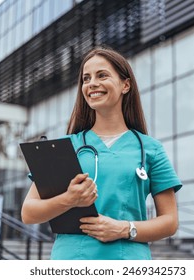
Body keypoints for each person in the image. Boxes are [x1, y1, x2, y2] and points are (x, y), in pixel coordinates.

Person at [21, 46, 182, 260]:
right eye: (86, 79)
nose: (92, 84)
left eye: (102, 75)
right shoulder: (64, 147)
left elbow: (169, 222)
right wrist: (69, 199)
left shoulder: (150, 149)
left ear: (126, 85)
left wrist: (125, 229)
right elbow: (28, 212)